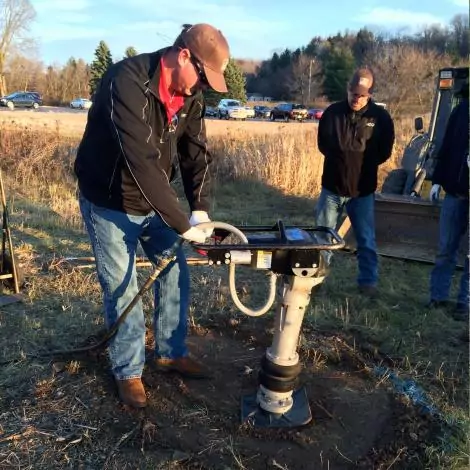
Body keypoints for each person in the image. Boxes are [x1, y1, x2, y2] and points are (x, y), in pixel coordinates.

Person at [74, 23, 230, 408]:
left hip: (153, 201)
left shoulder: (191, 95)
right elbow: (140, 162)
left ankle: (170, 352)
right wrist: (181, 223)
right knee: (123, 286)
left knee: (174, 268)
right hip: (109, 201)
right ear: (182, 56)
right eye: (202, 77)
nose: (201, 88)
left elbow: (196, 152)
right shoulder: (125, 82)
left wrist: (199, 211)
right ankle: (128, 372)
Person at [315, 68, 395, 297]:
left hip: (362, 192)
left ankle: (368, 283)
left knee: (366, 239)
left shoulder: (381, 119)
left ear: (370, 94)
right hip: (331, 188)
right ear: (347, 90)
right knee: (323, 237)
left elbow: (384, 152)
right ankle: (317, 279)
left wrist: (363, 165)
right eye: (353, 93)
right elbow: (323, 145)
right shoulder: (332, 113)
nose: (356, 98)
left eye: (361, 95)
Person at [428, 83, 469, 320]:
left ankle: (465, 303)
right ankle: (438, 296)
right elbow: (446, 147)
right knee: (445, 249)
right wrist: (436, 179)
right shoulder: (462, 110)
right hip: (454, 192)